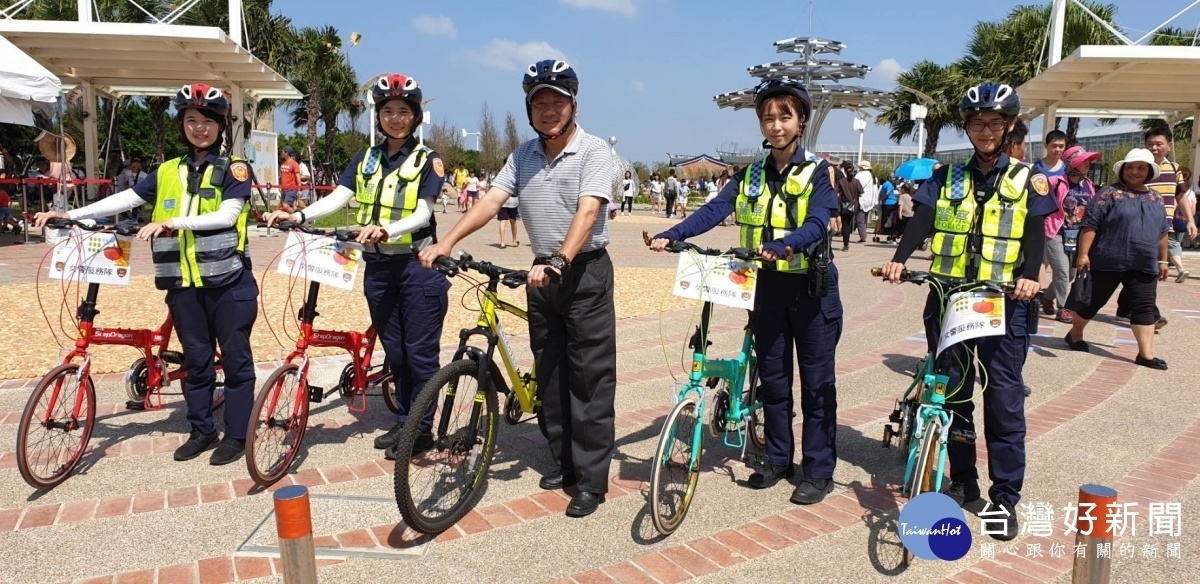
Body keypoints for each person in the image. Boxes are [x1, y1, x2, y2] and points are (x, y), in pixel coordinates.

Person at [419, 59, 616, 518]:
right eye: (539, 102)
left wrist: (560, 260)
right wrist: (446, 241)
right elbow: (491, 201)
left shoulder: (593, 152)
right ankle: (564, 461)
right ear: (530, 108)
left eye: (557, 101)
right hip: (542, 273)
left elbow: (589, 211)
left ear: (573, 105)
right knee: (550, 374)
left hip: (581, 271)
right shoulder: (523, 155)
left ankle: (590, 480)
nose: (548, 110)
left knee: (588, 379)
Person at [34, 83, 258, 465]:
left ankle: (236, 435)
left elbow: (228, 216)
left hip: (228, 283)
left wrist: (173, 221)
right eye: (191, 120)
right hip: (183, 285)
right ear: (181, 125)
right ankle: (202, 429)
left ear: (221, 126)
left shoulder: (234, 169)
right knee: (196, 362)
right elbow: (127, 199)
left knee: (236, 362)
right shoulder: (168, 171)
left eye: (207, 121)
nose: (199, 128)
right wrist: (70, 214)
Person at [650, 78, 843, 505]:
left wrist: (783, 244)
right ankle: (777, 459)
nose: (776, 126)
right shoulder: (748, 175)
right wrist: (673, 233)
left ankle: (818, 470)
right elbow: (715, 210)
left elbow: (816, 223)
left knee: (816, 385)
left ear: (801, 121)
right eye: (768, 118)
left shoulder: (819, 174)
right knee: (772, 379)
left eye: (785, 117)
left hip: (812, 291)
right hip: (766, 288)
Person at [881, 82, 1058, 540]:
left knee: (1003, 398)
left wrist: (1030, 275)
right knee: (954, 393)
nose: (985, 130)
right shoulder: (944, 177)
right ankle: (963, 478)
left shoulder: (1028, 180)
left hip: (1004, 301)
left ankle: (1004, 497)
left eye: (995, 123)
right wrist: (900, 258)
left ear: (1010, 126)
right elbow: (921, 220)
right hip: (950, 298)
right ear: (967, 127)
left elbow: (1036, 232)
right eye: (977, 123)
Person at [264, 73, 451, 458]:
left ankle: (421, 429)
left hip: (418, 268)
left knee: (419, 353)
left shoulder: (427, 160)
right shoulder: (365, 158)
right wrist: (298, 217)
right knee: (396, 352)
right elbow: (338, 198)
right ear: (378, 115)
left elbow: (422, 213)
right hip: (379, 270)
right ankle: (405, 422)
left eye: (403, 111)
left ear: (415, 116)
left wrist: (386, 229)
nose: (395, 118)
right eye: (388, 111)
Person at [1065, 149, 1169, 370]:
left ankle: (1146, 354)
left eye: (1141, 168)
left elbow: (1162, 232)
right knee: (1094, 302)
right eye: (1130, 167)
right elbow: (1090, 224)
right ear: (1123, 170)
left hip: (1144, 263)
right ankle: (1075, 335)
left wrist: (1163, 261)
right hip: (1107, 259)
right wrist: (1083, 255)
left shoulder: (1156, 198)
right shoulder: (1109, 193)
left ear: (1149, 171)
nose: (1134, 171)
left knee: (1144, 307)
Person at [1043, 146, 1100, 324]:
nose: (1088, 164)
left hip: (1076, 235)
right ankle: (1063, 307)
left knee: (1070, 274)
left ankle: (1046, 297)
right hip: (1055, 231)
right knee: (1061, 270)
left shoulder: (1089, 184)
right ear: (1073, 164)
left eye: (1089, 161)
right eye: (1084, 161)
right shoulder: (1055, 181)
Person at [836, 161, 862, 251]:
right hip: (853, 206)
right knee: (850, 223)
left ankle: (846, 244)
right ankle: (847, 240)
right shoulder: (857, 182)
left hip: (844, 206)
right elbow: (861, 193)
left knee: (845, 224)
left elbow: (837, 193)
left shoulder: (841, 181)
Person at [854, 160, 877, 242]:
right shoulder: (873, 176)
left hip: (861, 199)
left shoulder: (859, 175)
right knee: (865, 218)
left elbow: (855, 186)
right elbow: (875, 190)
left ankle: (863, 236)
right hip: (870, 200)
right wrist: (875, 201)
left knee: (859, 218)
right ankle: (864, 233)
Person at [279, 146, 302, 213]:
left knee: (286, 205)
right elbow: (281, 176)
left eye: (283, 151)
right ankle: (294, 219)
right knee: (291, 206)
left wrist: (299, 189)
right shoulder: (283, 164)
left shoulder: (294, 164)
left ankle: (298, 217)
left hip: (291, 189)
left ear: (287, 153)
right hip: (284, 189)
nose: (281, 153)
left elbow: (298, 177)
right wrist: (280, 186)